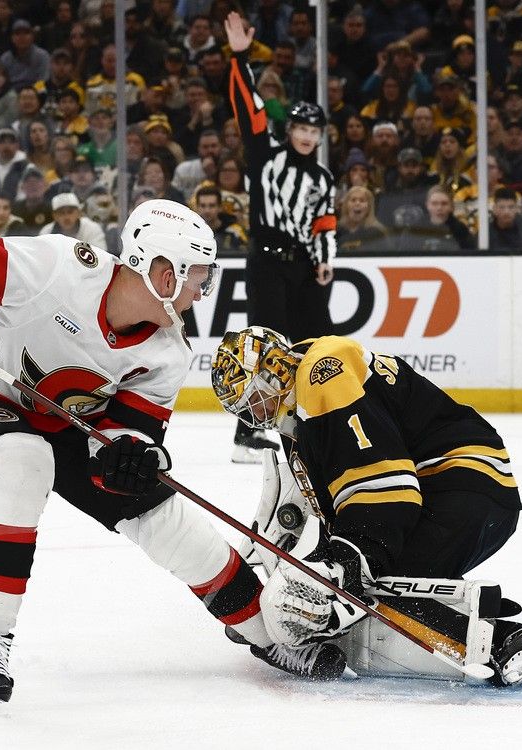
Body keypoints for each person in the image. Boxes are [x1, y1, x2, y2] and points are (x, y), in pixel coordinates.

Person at [0, 200, 279, 721]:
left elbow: (130, 433)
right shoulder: (62, 268)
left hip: (68, 432)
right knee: (24, 455)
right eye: (197, 275)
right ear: (161, 270)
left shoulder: (169, 352)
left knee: (162, 517)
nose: (202, 290)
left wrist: (129, 455)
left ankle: (269, 629)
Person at [210, 326, 522, 684]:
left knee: (370, 584)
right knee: (362, 578)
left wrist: (352, 559)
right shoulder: (305, 419)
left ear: (275, 375)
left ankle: (503, 642)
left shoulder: (323, 372)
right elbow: (321, 510)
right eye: (243, 410)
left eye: (255, 398)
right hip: (452, 490)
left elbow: (384, 488)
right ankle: (475, 621)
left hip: (464, 482)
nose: (254, 417)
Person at [225, 11, 336, 463]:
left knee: (320, 343)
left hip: (303, 266)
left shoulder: (324, 177)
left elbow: (324, 222)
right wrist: (239, 56)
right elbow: (247, 106)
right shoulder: (266, 156)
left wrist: (326, 259)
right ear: (288, 130)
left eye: (315, 130)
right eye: (302, 129)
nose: (308, 137)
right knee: (268, 345)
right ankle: (247, 433)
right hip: (267, 261)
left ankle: (318, 422)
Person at [39, 191, 107, 248]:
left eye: (70, 212)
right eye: (61, 213)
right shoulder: (46, 233)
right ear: (54, 216)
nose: (66, 217)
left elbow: (100, 257)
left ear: (79, 213)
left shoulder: (92, 228)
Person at [336, 186, 387, 254]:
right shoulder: (336, 231)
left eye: (362, 200)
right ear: (346, 206)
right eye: (353, 200)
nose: (357, 203)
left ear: (369, 207)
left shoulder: (377, 233)